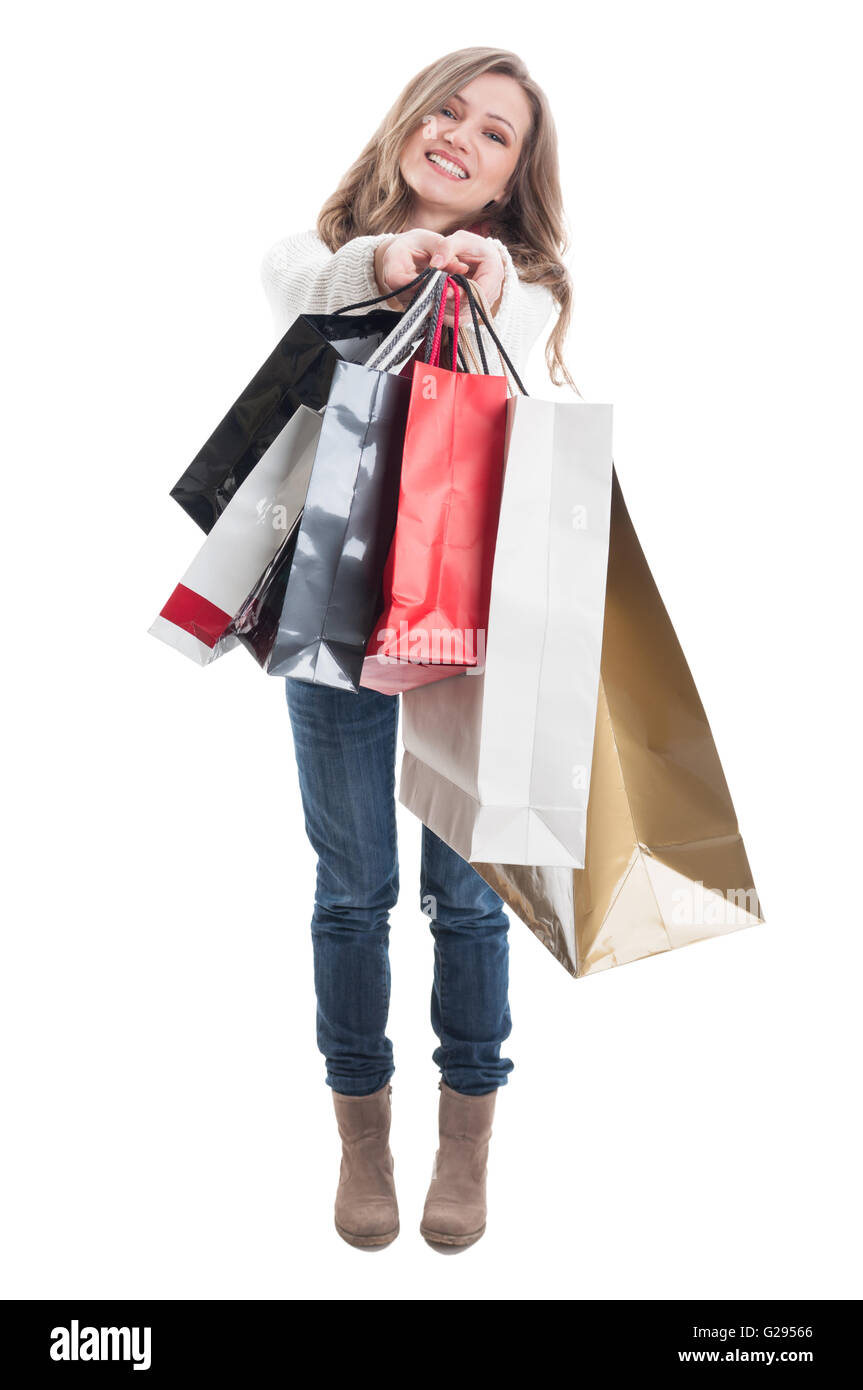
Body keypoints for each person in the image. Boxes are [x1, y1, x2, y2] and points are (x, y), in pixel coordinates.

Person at [260, 46, 578, 1252]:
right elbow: (294, 276)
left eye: (494, 134)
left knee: (466, 894)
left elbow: (528, 308)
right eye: (447, 111)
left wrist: (476, 278)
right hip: (330, 605)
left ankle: (463, 1142)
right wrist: (387, 265)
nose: (460, 136)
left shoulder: (523, 280)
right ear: (407, 123)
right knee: (352, 888)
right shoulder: (329, 252)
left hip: (467, 614)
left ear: (505, 184)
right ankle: (359, 1138)